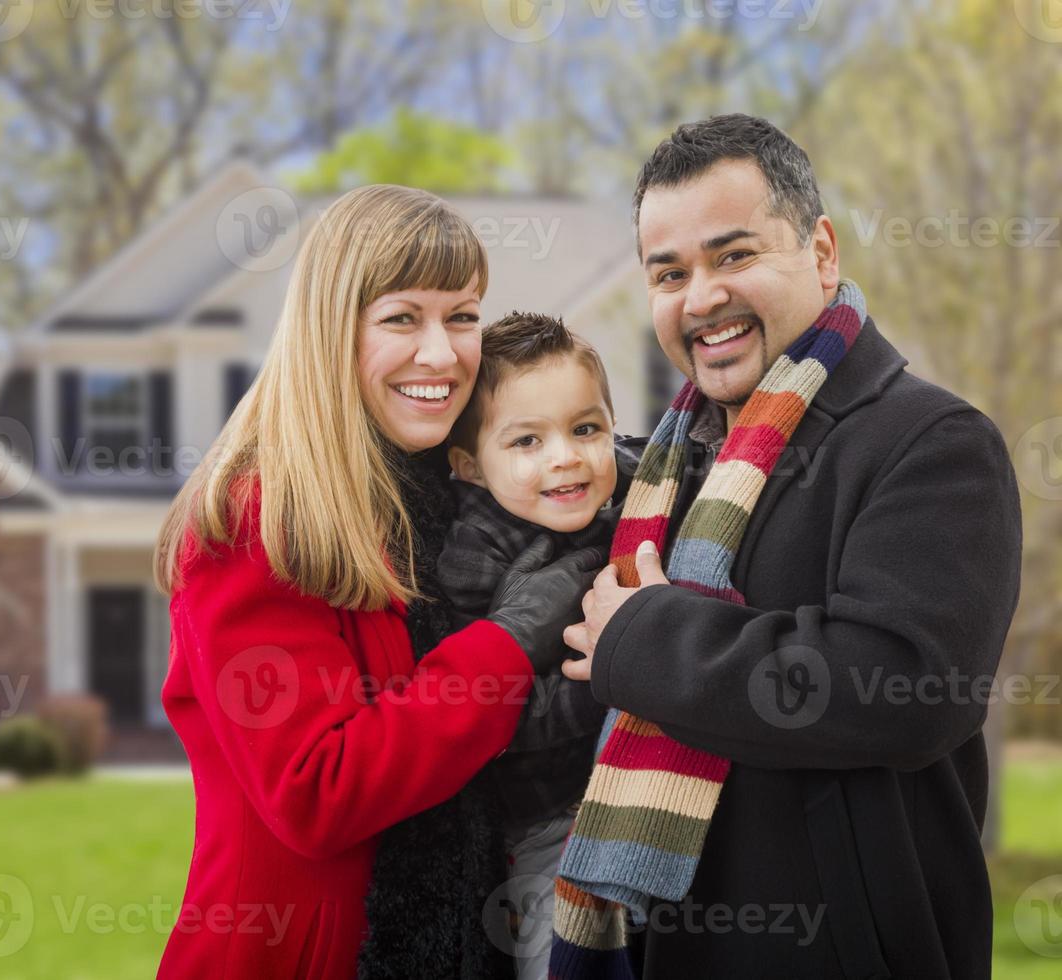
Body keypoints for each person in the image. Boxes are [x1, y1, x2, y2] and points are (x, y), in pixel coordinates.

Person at [548, 113, 1023, 979]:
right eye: (670, 273)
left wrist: (644, 637)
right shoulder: (659, 469)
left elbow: (908, 687)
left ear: (822, 251)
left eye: (734, 256)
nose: (701, 299)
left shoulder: (933, 442)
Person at [153, 184, 598, 979]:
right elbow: (317, 790)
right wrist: (510, 639)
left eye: (463, 316)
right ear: (333, 330)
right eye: (403, 318)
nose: (443, 353)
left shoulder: (446, 496)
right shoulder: (256, 518)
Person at [438, 311, 640, 979]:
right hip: (543, 818)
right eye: (527, 441)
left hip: (628, 794)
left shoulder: (630, 496)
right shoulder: (474, 554)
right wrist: (609, 683)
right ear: (470, 466)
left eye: (587, 429)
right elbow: (498, 717)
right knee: (564, 955)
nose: (565, 457)